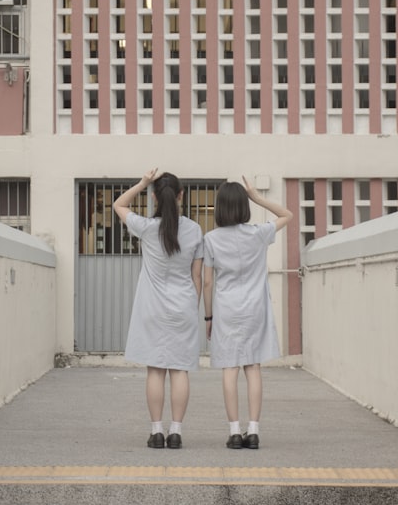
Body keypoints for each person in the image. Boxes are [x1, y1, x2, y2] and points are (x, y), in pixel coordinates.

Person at [113, 169, 204, 450]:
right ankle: (175, 432)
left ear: (154, 197)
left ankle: (155, 432)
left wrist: (141, 182)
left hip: (152, 307)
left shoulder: (146, 228)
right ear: (181, 196)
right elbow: (197, 277)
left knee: (155, 370)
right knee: (179, 370)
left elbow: (118, 204)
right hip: (184, 307)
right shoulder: (194, 229)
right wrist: (193, 305)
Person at [203, 177, 292, 450]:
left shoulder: (210, 239)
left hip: (227, 309)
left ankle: (233, 431)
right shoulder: (258, 233)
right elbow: (287, 215)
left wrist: (208, 318)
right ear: (244, 205)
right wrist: (258, 197)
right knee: (253, 367)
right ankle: (253, 430)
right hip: (255, 308)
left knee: (230, 368)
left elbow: (207, 282)